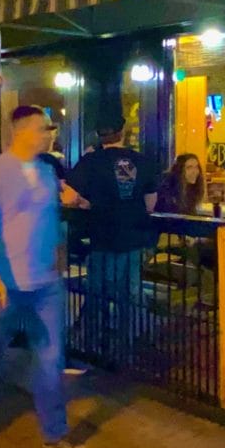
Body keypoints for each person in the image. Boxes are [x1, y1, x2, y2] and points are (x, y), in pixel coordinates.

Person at [0, 105, 95, 448]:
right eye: (43, 128)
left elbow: (50, 222)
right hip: (3, 283)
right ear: (23, 131)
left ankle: (54, 433)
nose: (49, 134)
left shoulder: (47, 173)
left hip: (45, 283)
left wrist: (58, 260)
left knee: (50, 358)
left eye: (49, 128)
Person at [66, 115, 158, 360]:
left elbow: (67, 196)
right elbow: (150, 204)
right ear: (123, 131)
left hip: (102, 236)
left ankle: (94, 344)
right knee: (130, 294)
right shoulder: (142, 161)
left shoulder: (90, 161)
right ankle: (127, 343)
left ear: (99, 135)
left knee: (98, 291)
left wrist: (85, 203)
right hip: (134, 236)